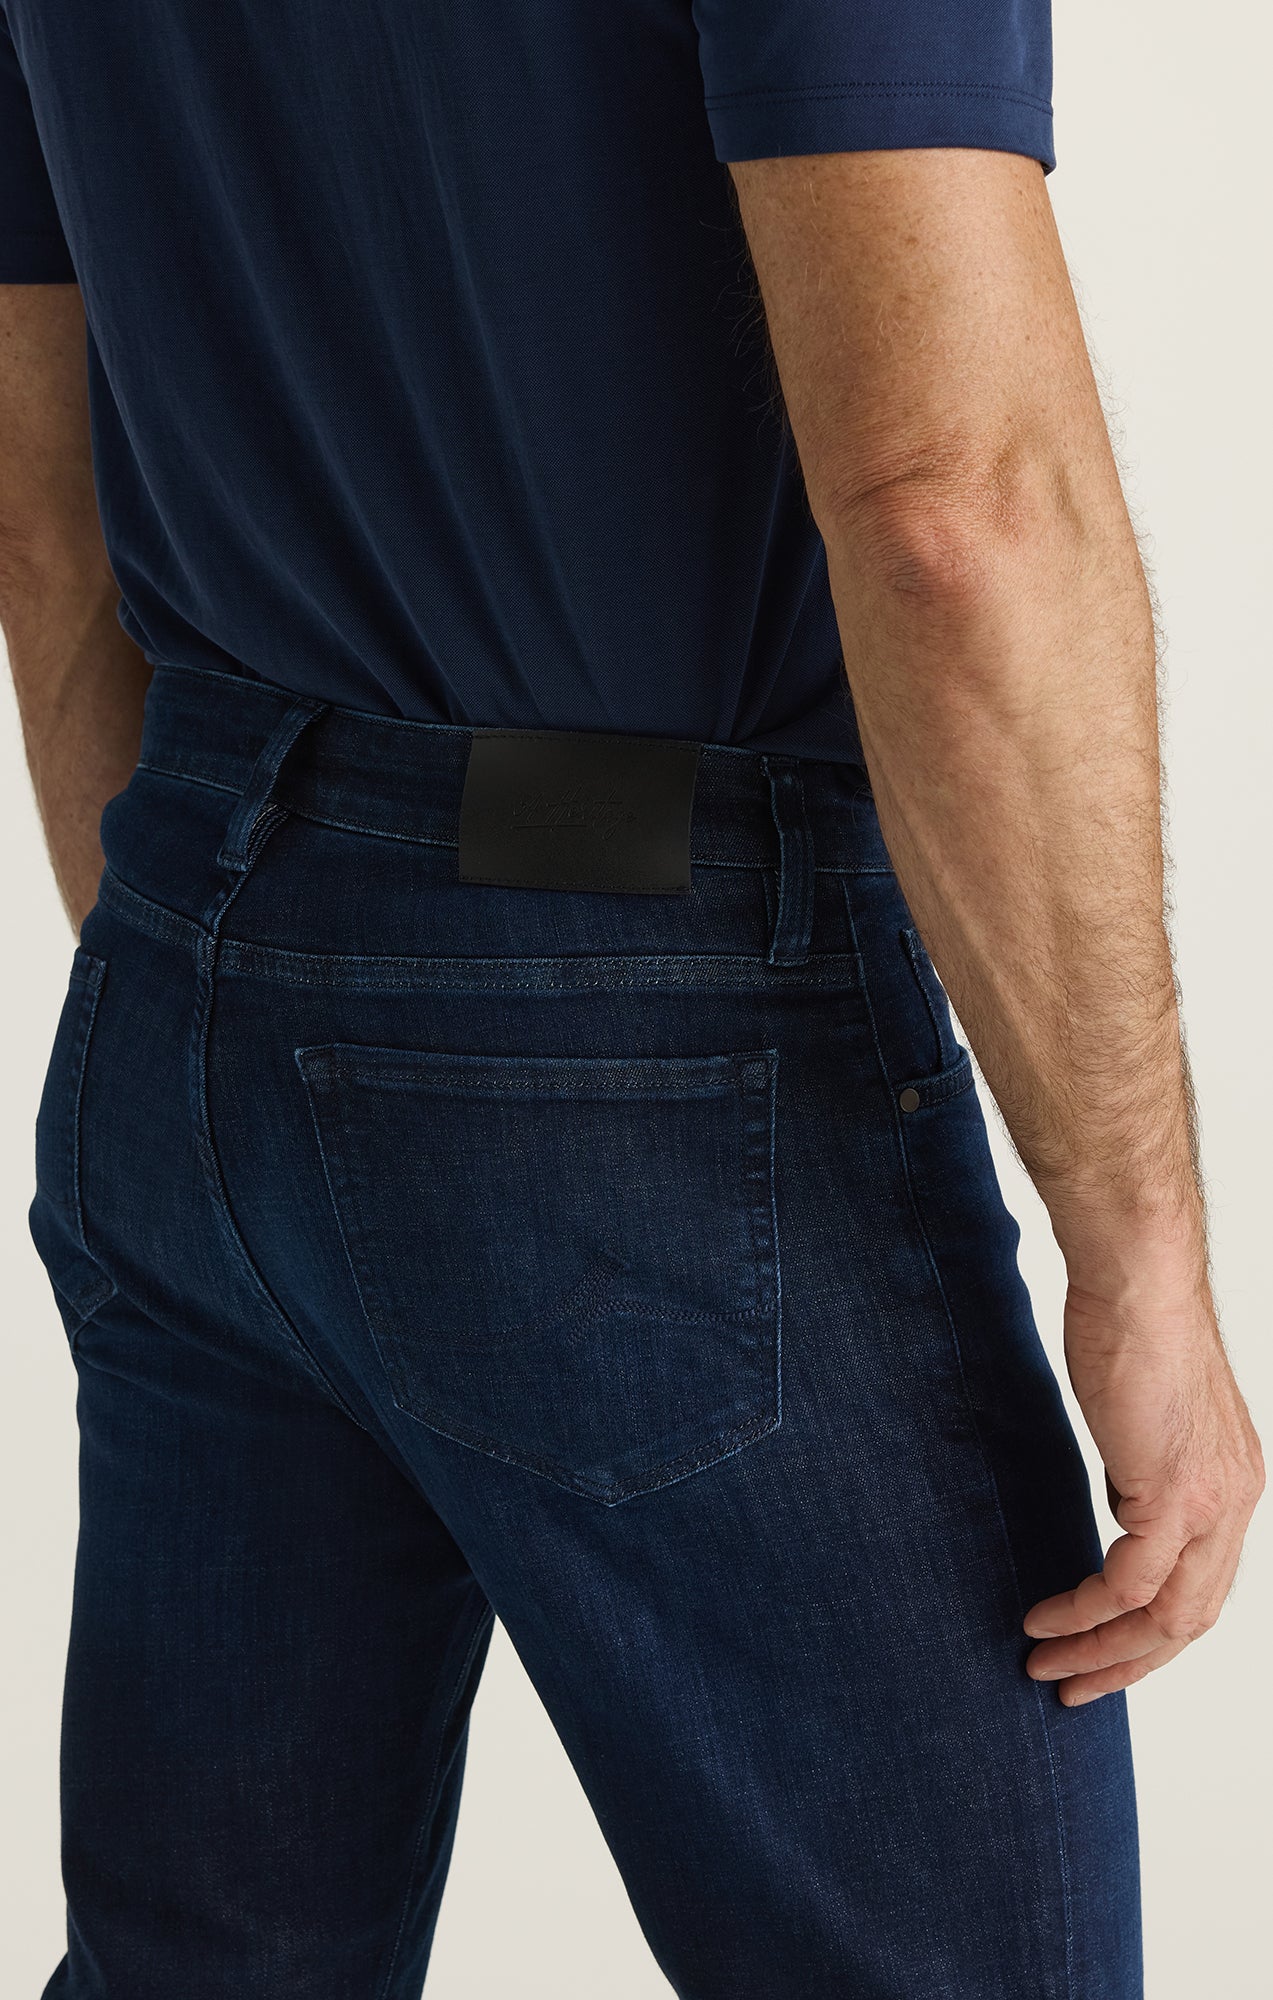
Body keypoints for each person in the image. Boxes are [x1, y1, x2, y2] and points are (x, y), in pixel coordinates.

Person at [1, 0, 1262, 1993]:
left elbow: (42, 510)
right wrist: (1138, 1246)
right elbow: (953, 507)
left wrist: (233, 988)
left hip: (183, 974)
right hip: (644, 1027)